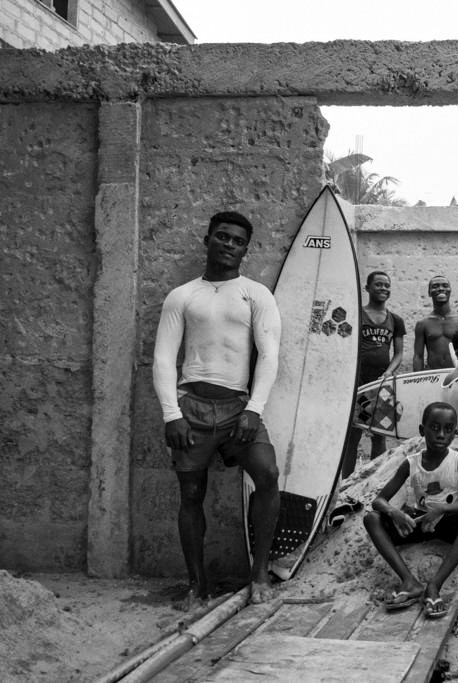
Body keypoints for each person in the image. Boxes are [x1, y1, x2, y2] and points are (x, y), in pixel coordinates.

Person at [152, 211, 282, 607]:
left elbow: (270, 356)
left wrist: (255, 408)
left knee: (268, 473)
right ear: (207, 240)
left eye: (237, 240)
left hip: (238, 407)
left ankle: (259, 574)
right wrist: (171, 414)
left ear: (245, 249)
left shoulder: (256, 294)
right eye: (221, 237)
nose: (228, 244)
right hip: (191, 405)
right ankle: (197, 583)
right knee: (191, 492)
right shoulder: (182, 295)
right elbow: (162, 358)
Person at [362, 402, 458, 619]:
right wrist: (395, 513)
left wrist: (444, 509)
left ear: (454, 433)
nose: (441, 435)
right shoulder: (411, 463)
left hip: (448, 522)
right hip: (420, 522)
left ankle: (434, 585)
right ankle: (409, 582)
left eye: (448, 429)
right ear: (422, 431)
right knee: (372, 519)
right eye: (435, 428)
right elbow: (379, 501)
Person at [342, 270, 406, 478]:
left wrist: (389, 372)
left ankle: (374, 481)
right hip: (358, 384)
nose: (383, 289)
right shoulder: (356, 315)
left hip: (381, 384)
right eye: (378, 285)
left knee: (380, 434)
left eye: (387, 285)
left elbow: (398, 353)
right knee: (353, 434)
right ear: (367, 288)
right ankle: (346, 483)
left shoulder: (395, 320)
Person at [413, 275, 458, 371]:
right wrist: (417, 380)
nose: (441, 289)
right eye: (435, 286)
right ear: (429, 293)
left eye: (445, 285)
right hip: (432, 374)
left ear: (450, 290)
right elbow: (418, 356)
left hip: (457, 373)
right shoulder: (423, 324)